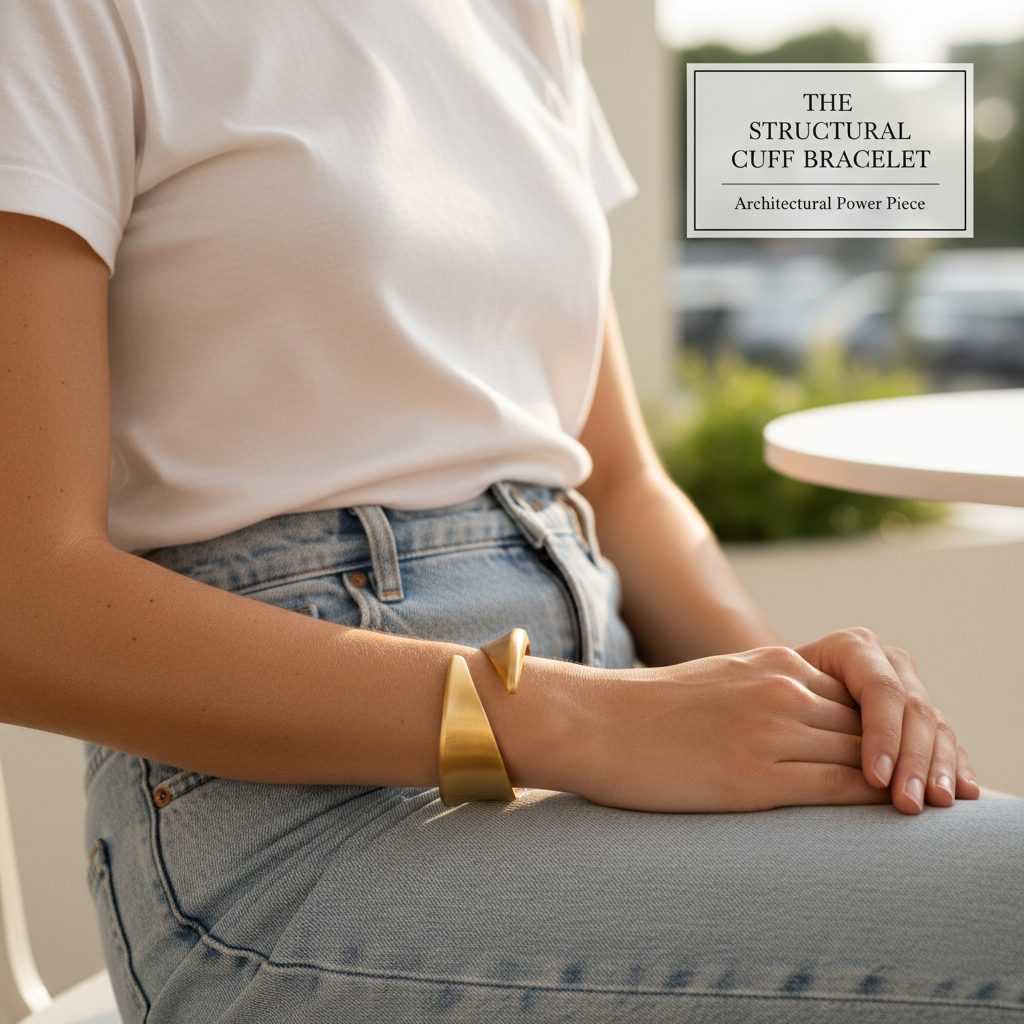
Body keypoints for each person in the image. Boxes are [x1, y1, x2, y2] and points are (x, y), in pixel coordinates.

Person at [1, 2, 1021, 1021]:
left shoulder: (521, 15)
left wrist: (792, 706)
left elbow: (618, 484)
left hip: (602, 749)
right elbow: (23, 604)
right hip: (296, 844)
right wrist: (578, 721)